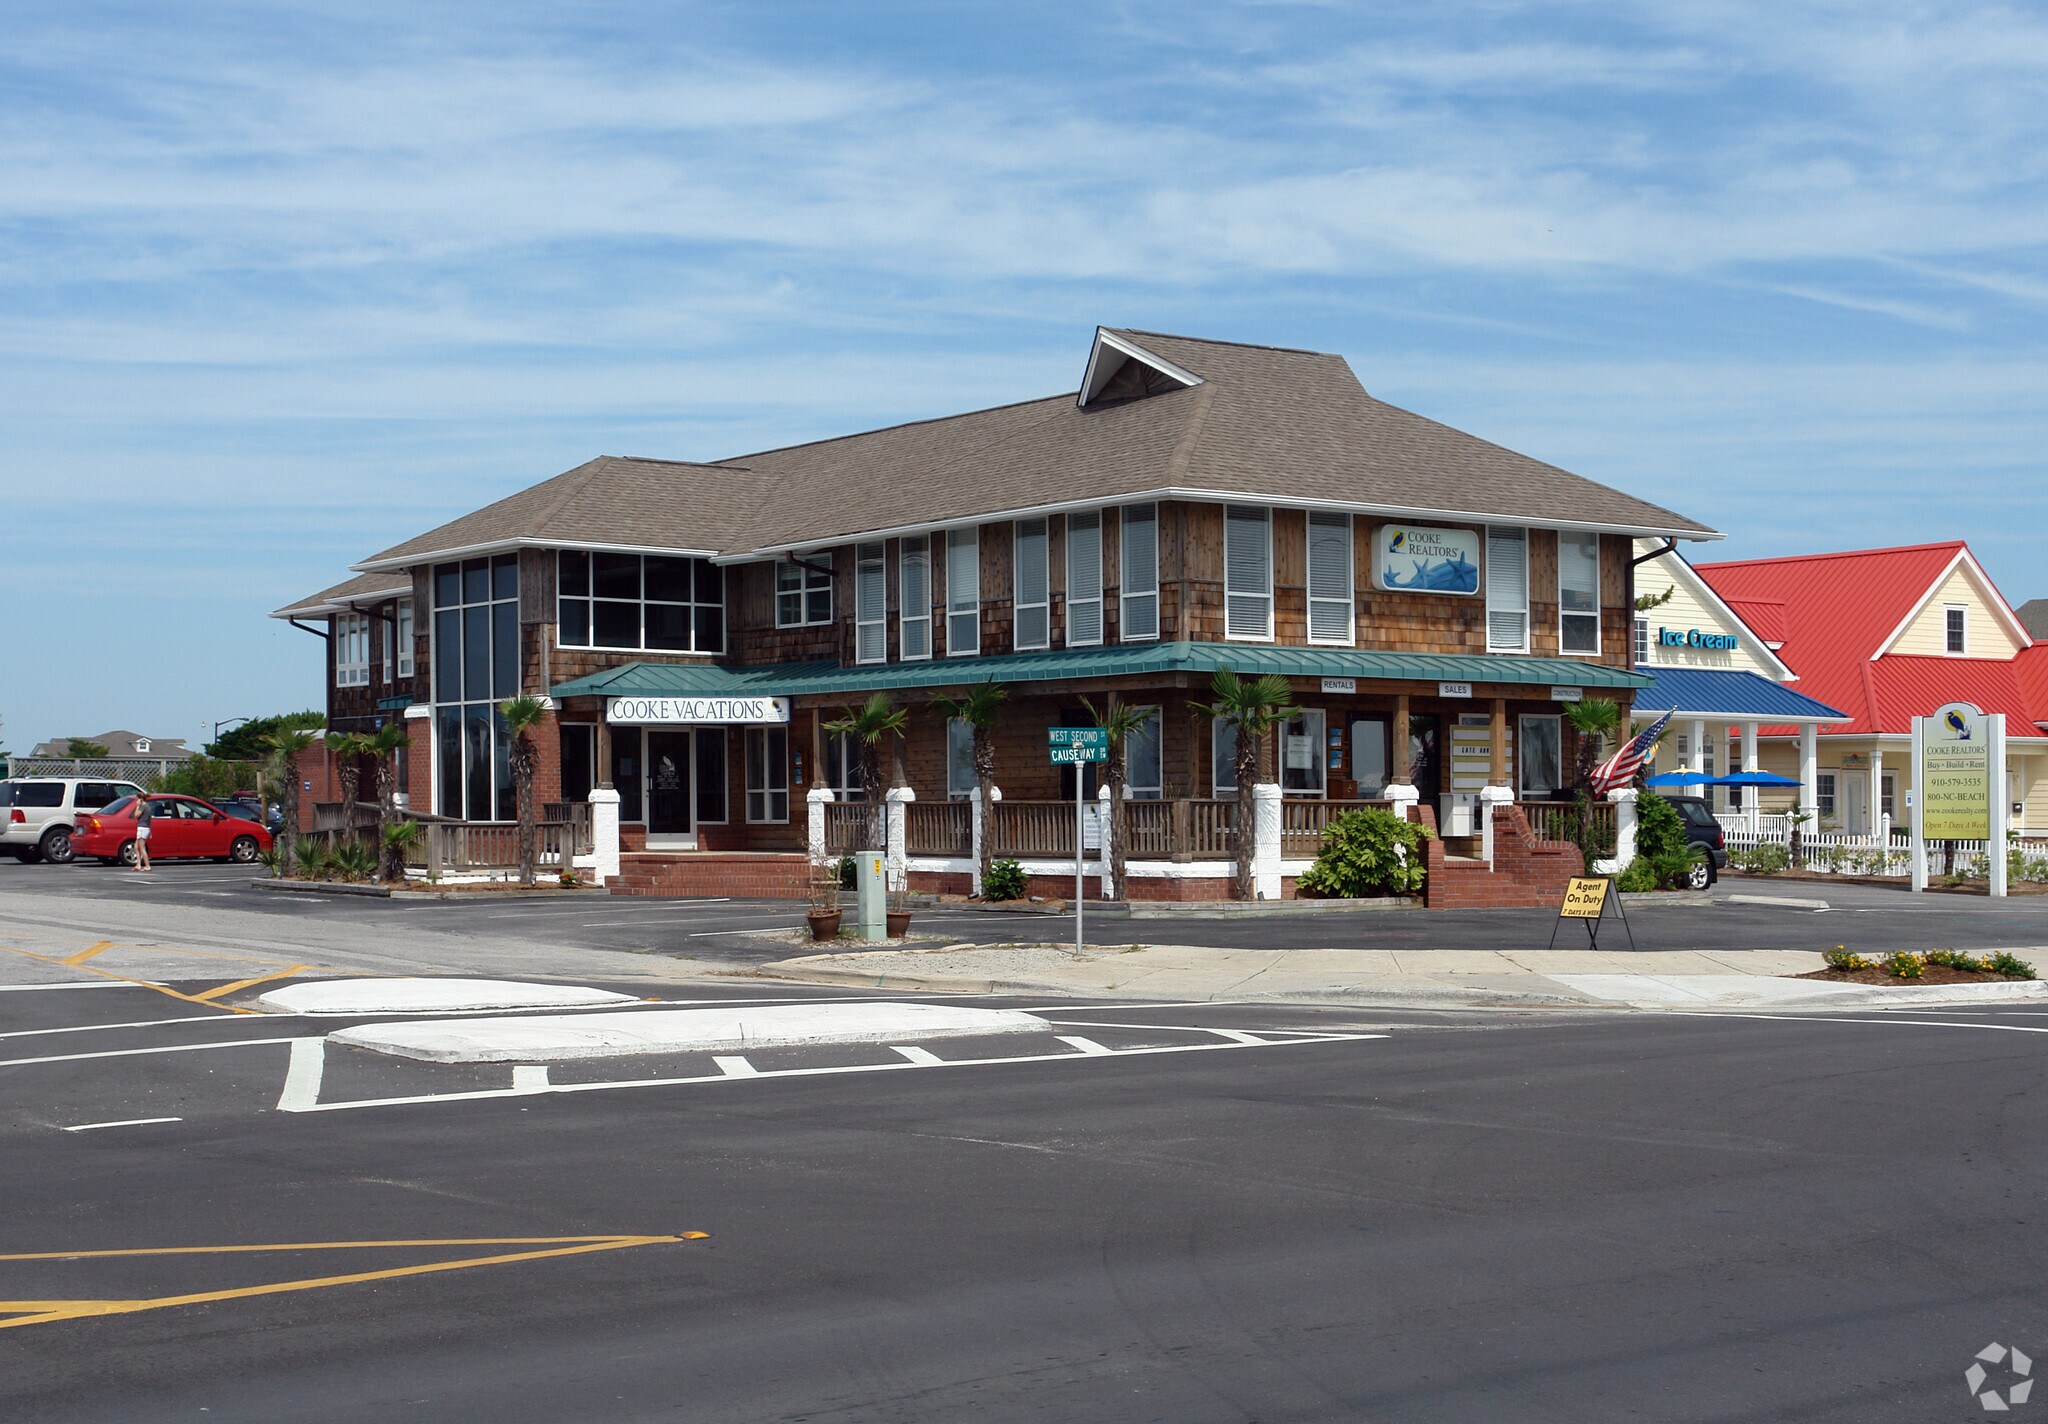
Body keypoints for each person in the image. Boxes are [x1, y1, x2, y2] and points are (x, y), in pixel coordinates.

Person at [132, 795, 154, 872]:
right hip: (145, 828)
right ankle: (138, 864)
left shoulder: (143, 807)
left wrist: (137, 806)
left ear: (140, 799)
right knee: (136, 846)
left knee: (142, 847)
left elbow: (136, 815)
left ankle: (147, 865)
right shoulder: (147, 807)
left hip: (142, 828)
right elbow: (149, 819)